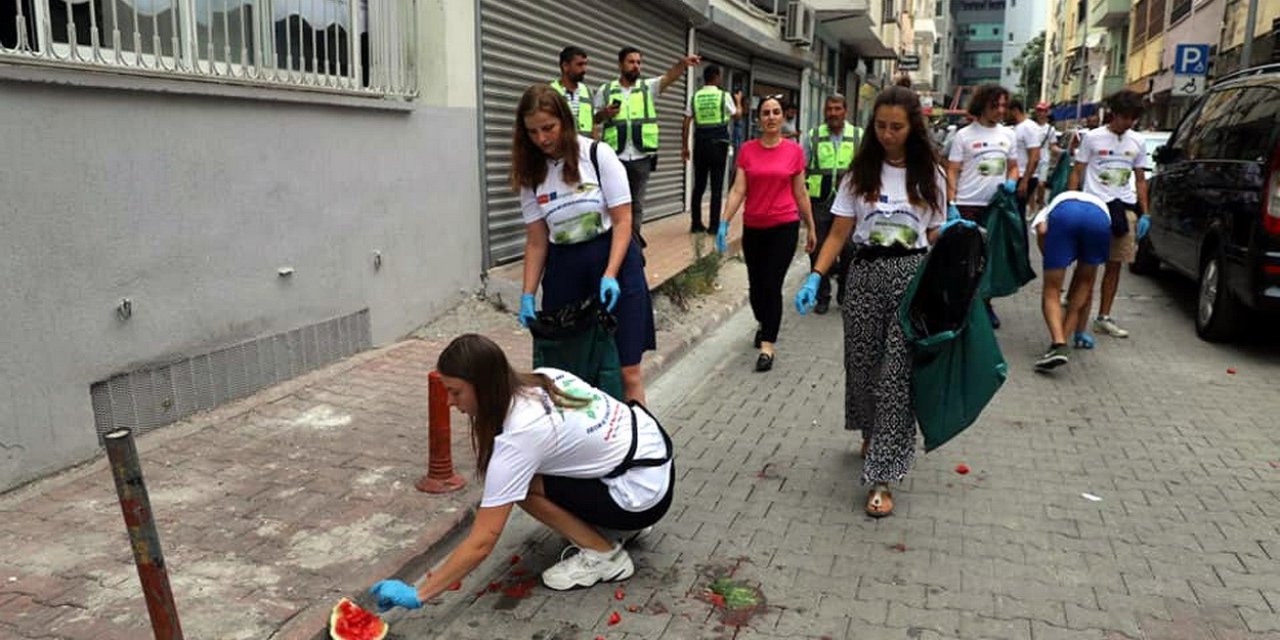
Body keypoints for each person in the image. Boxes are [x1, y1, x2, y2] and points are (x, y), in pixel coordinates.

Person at [368, 334, 675, 612]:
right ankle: (617, 525)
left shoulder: (519, 436)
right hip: (654, 464)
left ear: (484, 386)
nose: (449, 402)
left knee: (523, 488)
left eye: (455, 392)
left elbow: (482, 541)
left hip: (640, 496)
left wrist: (419, 593)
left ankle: (605, 557)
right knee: (533, 476)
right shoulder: (544, 378)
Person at [794, 85, 946, 517]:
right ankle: (870, 429)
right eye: (880, 126)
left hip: (910, 278)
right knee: (861, 364)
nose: (887, 134)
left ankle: (883, 473)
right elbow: (839, 231)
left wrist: (953, 247)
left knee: (896, 374)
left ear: (913, 127)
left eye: (896, 127)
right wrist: (816, 275)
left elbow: (933, 231)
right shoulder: (859, 173)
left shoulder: (929, 174)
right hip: (863, 276)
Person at [512, 84, 656, 402]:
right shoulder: (531, 175)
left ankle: (639, 444)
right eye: (533, 132)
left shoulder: (596, 155)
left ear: (564, 120)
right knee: (570, 373)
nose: (542, 139)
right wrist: (527, 294)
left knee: (625, 370)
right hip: (565, 269)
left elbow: (623, 221)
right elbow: (537, 242)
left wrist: (610, 273)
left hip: (613, 259)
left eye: (548, 128)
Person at [717, 95, 816, 371]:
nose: (771, 117)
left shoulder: (794, 152)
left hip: (783, 227)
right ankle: (764, 321)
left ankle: (768, 347)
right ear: (759, 119)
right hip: (754, 228)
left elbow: (800, 191)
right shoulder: (747, 150)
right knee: (757, 289)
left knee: (772, 285)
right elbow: (738, 189)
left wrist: (810, 225)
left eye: (776, 112)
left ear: (783, 117)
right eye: (766, 113)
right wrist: (725, 221)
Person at [595, 47, 701, 246]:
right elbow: (594, 119)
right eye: (631, 62)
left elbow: (669, 77)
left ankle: (631, 245)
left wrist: (682, 64)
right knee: (612, 203)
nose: (636, 66)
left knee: (636, 204)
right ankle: (612, 242)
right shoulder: (605, 90)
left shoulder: (648, 87)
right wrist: (604, 114)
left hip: (641, 156)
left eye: (638, 62)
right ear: (620, 64)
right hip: (615, 158)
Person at [1068, 90, 1150, 339]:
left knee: (1114, 266)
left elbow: (1140, 179)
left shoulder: (1137, 141)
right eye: (1125, 117)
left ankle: (1103, 316)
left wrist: (1145, 213)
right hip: (1094, 207)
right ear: (1114, 113)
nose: (1128, 123)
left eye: (1133, 118)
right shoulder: (1092, 138)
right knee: (1087, 265)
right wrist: (1070, 201)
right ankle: (1076, 309)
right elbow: (1077, 171)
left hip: (1123, 209)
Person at [946, 83, 1019, 328]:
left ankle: (984, 304)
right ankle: (961, 306)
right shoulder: (964, 136)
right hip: (968, 204)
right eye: (994, 105)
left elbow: (1013, 166)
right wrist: (951, 202)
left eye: (1003, 105)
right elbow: (953, 170)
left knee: (988, 260)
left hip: (995, 207)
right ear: (982, 105)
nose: (1000, 110)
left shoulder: (1008, 135)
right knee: (965, 259)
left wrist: (1012, 182)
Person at [1030, 190, 1113, 371]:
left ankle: (1058, 344)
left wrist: (1052, 260)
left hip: (1065, 216)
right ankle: (1065, 340)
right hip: (1099, 220)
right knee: (1084, 284)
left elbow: (1042, 230)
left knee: (1052, 290)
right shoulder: (1099, 204)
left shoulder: (1050, 207)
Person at [803, 93, 864, 314]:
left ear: (845, 111)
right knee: (818, 248)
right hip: (820, 200)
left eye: (837, 108)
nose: (833, 113)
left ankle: (844, 293)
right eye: (829, 109)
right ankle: (822, 296)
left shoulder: (858, 135)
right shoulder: (813, 136)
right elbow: (803, 168)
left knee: (849, 249)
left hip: (849, 202)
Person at [681, 64, 742, 233]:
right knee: (716, 187)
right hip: (718, 145)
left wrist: (685, 147)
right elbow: (737, 115)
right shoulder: (723, 96)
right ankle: (714, 226)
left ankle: (696, 224)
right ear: (716, 77)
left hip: (700, 144)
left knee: (698, 186)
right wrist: (738, 101)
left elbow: (686, 123)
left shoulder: (695, 97)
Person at [1009, 99, 1045, 220]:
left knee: (1017, 215)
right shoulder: (1016, 128)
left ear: (1014, 111)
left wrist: (1025, 180)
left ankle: (1021, 239)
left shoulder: (1029, 127)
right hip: (1016, 176)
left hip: (1024, 177)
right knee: (1015, 215)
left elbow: (1035, 156)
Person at [550, 45, 595, 137]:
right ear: (565, 66)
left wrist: (595, 148)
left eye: (585, 64)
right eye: (580, 64)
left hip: (584, 149)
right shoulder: (551, 92)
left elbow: (593, 125)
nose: (584, 69)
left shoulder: (587, 92)